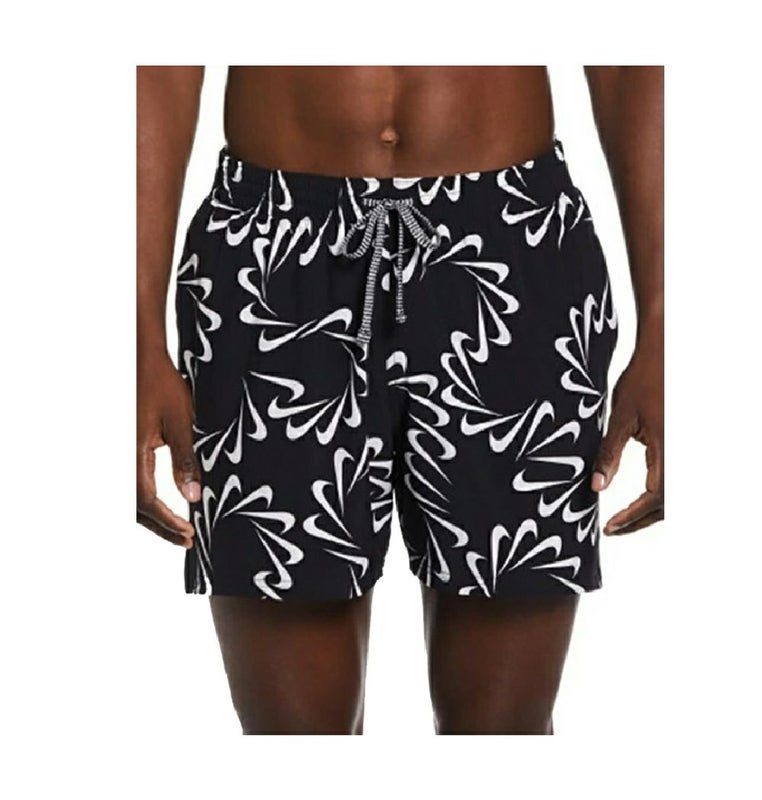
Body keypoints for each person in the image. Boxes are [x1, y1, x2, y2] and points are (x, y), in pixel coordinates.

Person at [136, 66, 664, 735]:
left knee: (504, 730)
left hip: (512, 243)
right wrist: (137, 335)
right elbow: (156, 62)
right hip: (272, 255)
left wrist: (666, 323)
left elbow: (630, 61)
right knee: (292, 736)